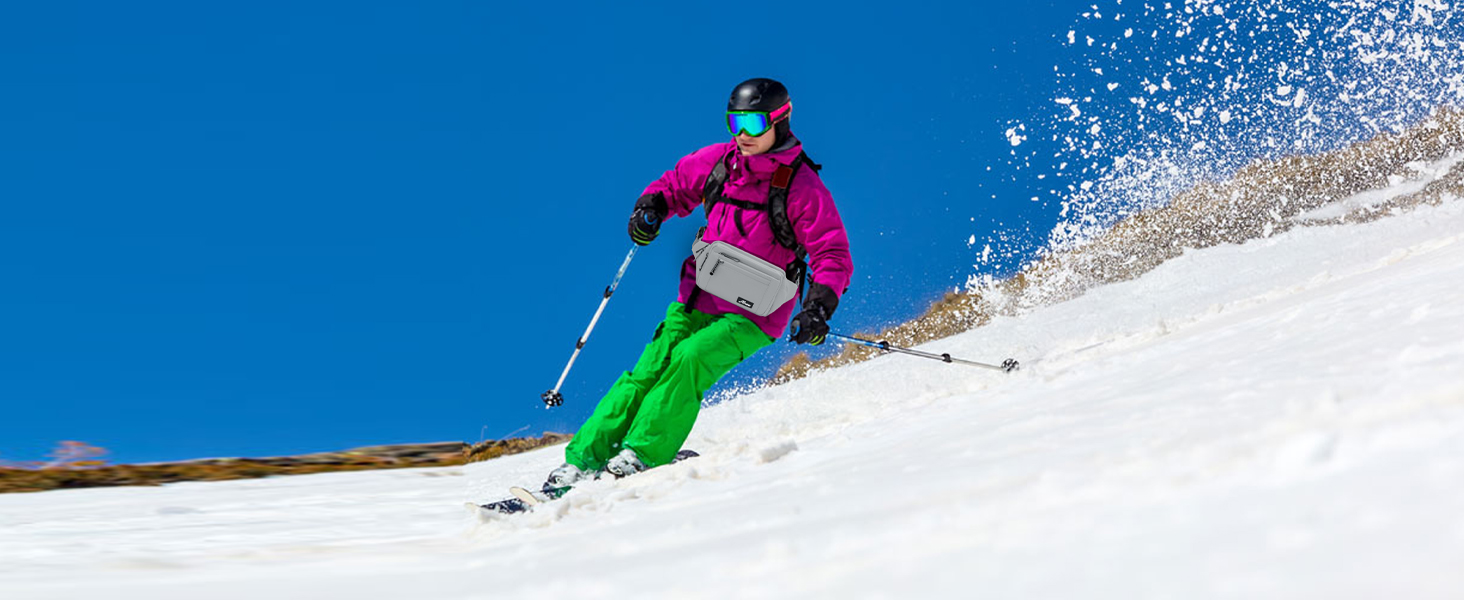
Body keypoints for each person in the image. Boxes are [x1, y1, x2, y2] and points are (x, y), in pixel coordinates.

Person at [546, 77, 854, 488]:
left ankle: (641, 452)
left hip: (754, 315)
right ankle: (582, 459)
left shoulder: (801, 186)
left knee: (690, 358)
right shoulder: (721, 162)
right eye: (736, 123)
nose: (743, 135)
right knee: (649, 369)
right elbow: (672, 186)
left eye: (755, 124)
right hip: (698, 298)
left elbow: (832, 252)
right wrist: (650, 208)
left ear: (779, 123)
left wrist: (817, 307)